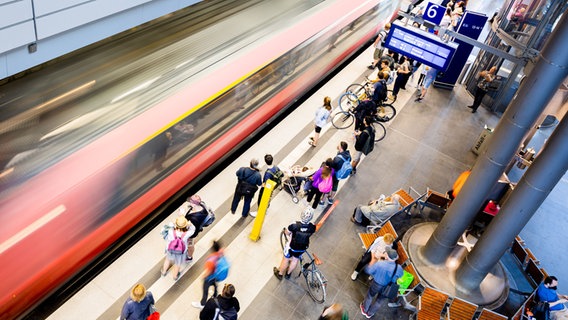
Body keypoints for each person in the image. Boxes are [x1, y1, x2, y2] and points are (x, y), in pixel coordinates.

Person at [273, 207, 317, 280]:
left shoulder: (294, 225)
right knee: (295, 260)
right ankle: (288, 274)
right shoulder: (312, 227)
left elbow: (287, 232)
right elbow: (310, 234)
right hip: (302, 248)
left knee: (285, 259)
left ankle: (280, 274)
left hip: (291, 247)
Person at [360, 247, 403, 319]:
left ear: (387, 256)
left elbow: (368, 271)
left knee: (370, 296)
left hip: (376, 284)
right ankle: (370, 313)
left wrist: (370, 264)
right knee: (380, 301)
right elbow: (400, 275)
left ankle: (364, 309)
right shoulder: (398, 268)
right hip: (388, 287)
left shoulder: (380, 264)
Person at [192, 241, 225, 309]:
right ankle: (215, 297)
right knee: (215, 286)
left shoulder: (211, 260)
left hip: (210, 277)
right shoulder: (220, 253)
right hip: (217, 276)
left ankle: (202, 303)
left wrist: (203, 276)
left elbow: (209, 271)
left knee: (205, 289)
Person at [161, 216, 193, 280]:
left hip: (170, 249)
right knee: (177, 263)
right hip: (180, 252)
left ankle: (164, 272)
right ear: (185, 226)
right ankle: (175, 276)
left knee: (167, 260)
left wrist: (174, 223)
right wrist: (190, 225)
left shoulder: (171, 231)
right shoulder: (187, 234)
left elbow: (167, 226)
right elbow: (193, 229)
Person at [184, 195, 209, 261]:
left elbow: (189, 227)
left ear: (194, 204)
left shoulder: (194, 218)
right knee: (190, 242)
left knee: (190, 244)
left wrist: (181, 215)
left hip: (192, 233)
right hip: (197, 228)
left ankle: (189, 257)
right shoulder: (202, 206)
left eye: (190, 201)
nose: (189, 202)